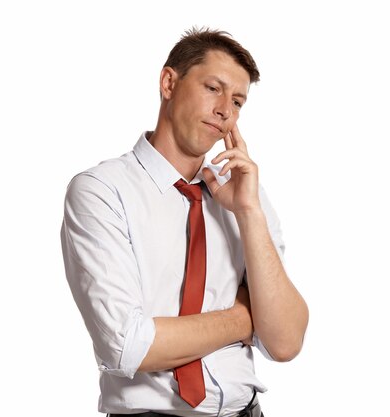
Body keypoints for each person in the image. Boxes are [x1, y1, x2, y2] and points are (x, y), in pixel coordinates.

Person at [60, 27, 309, 417]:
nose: (227, 109)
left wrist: (248, 213)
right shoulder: (102, 191)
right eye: (214, 88)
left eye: (239, 101)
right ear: (169, 82)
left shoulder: (244, 195)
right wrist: (244, 318)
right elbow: (130, 345)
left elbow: (286, 341)